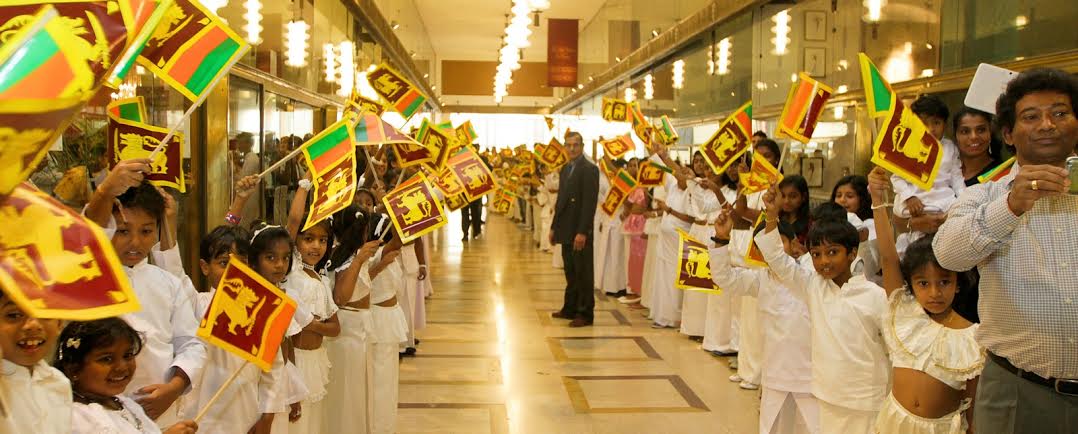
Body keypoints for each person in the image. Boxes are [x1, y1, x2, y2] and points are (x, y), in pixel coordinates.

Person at [933, 67, 1078, 433]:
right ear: (1009, 134)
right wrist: (1012, 205)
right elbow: (948, 254)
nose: (1047, 124)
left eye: (1060, 113)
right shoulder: (985, 196)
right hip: (1018, 390)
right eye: (1031, 116)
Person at [756, 186, 890, 434]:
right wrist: (771, 216)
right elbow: (777, 258)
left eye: (832, 252)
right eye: (816, 254)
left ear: (852, 253)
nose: (824, 261)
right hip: (826, 395)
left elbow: (894, 350)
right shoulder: (813, 286)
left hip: (866, 400)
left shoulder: (874, 296)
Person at [84, 175, 206, 427]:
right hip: (99, 414)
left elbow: (191, 343)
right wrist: (105, 192)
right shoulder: (89, 277)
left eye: (147, 231)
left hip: (160, 409)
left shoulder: (168, 283)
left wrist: (174, 388)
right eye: (123, 231)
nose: (135, 242)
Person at [867, 168, 983, 434]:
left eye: (944, 282)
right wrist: (877, 198)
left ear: (957, 284)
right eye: (923, 283)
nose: (934, 293)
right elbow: (888, 257)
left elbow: (974, 405)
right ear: (911, 284)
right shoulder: (905, 311)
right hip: (894, 423)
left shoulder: (973, 338)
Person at [712, 214, 818, 434]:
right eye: (768, 246)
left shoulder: (808, 277)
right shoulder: (761, 279)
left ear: (794, 243)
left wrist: (771, 214)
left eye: (781, 242)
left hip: (810, 377)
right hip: (774, 375)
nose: (774, 250)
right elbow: (725, 279)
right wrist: (721, 240)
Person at [187, 225, 282, 434]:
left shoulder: (260, 312)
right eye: (224, 263)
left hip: (246, 413)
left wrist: (267, 416)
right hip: (203, 415)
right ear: (205, 267)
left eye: (242, 263)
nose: (234, 272)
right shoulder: (197, 304)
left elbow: (273, 367)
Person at [56, 318, 198, 434]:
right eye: (106, 359)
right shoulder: (74, 416)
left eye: (128, 355)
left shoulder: (127, 405)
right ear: (73, 368)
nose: (122, 367)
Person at [283, 180, 341, 434]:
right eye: (308, 239)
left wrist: (313, 324)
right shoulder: (292, 271)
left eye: (322, 240)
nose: (316, 246)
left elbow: (335, 328)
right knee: (296, 421)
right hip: (296, 361)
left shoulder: (322, 279)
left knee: (313, 423)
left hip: (317, 359)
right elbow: (294, 220)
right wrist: (305, 184)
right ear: (296, 243)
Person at [326, 205, 382, 434]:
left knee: (359, 388)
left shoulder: (350, 256)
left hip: (359, 327)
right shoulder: (348, 260)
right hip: (348, 332)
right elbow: (340, 297)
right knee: (349, 391)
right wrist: (359, 261)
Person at [891, 95, 966, 253]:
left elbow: (956, 177)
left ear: (944, 124)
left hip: (943, 202)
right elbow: (896, 177)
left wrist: (964, 200)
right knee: (914, 247)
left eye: (936, 123)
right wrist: (909, 197)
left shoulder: (949, 147)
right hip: (916, 203)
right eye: (923, 123)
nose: (931, 129)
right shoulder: (906, 147)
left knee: (945, 245)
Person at [549, 131, 600, 327]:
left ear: (582, 146)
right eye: (568, 145)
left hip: (579, 230)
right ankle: (570, 308)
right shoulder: (565, 169)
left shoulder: (589, 169)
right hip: (566, 228)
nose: (572, 148)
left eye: (575, 145)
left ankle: (585, 313)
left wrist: (582, 231)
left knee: (583, 272)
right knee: (570, 271)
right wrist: (554, 227)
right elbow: (561, 200)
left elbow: (589, 204)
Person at [0, 291, 70, 433]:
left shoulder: (59, 382)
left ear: (60, 323)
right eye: (14, 315)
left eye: (45, 314)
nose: (33, 325)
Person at [954, 107, 1006, 186]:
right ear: (955, 136)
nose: (973, 137)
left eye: (981, 130)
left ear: (990, 133)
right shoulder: (944, 172)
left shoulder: (1002, 174)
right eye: (965, 131)